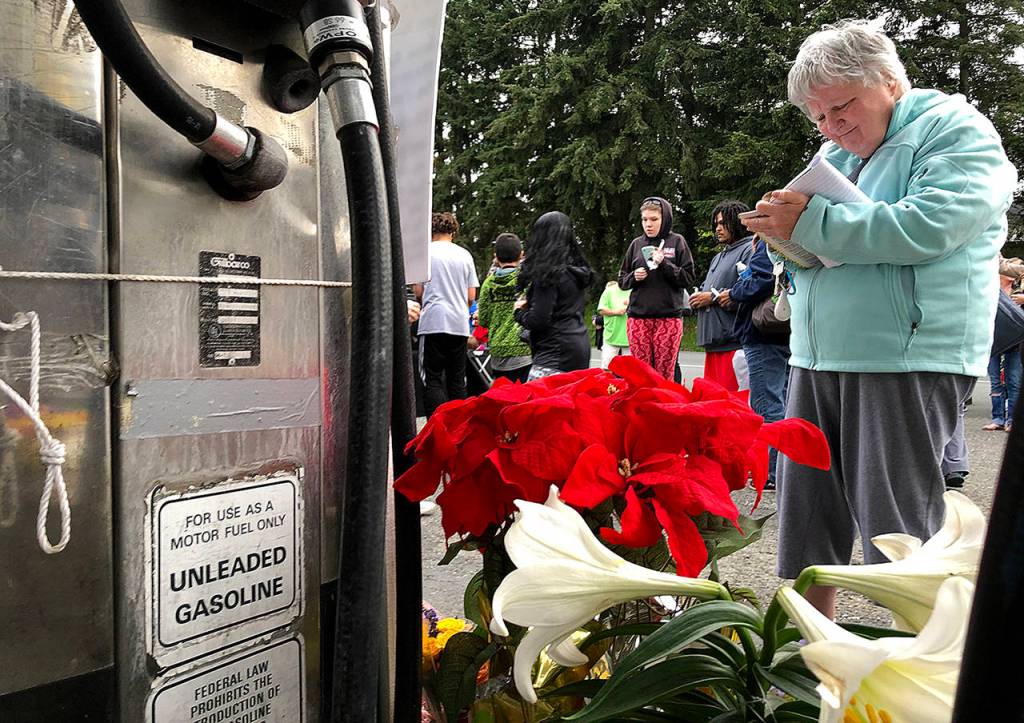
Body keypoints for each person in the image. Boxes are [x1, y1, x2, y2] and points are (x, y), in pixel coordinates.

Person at [740, 20, 1017, 618]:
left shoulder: (956, 130)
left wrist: (809, 224)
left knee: (901, 531)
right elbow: (827, 252)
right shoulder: (837, 152)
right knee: (806, 525)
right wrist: (782, 238)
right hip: (817, 354)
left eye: (840, 107)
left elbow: (930, 225)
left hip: (904, 354)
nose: (830, 126)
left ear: (889, 81)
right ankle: (806, 672)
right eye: (816, 117)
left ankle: (921, 675)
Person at [729, 234, 791, 490]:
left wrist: (735, 289)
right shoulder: (793, 239)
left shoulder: (770, 240)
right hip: (783, 332)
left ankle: (771, 472)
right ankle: (778, 469)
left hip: (762, 333)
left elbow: (763, 279)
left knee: (767, 405)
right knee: (781, 401)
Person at [617, 197, 695, 379]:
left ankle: (664, 407)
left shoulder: (677, 241)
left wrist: (665, 264)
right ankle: (641, 408)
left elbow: (688, 278)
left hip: (668, 318)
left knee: (663, 375)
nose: (648, 224)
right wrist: (634, 277)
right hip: (638, 318)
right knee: (640, 375)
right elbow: (621, 280)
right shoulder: (636, 244)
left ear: (665, 219)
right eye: (644, 220)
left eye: (654, 219)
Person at [414, 212, 480, 416]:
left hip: (433, 321)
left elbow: (418, 292)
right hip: (459, 323)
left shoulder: (424, 254)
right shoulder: (464, 255)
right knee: (457, 378)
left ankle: (436, 423)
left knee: (432, 378)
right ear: (453, 231)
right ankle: (458, 424)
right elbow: (471, 295)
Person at [514, 212, 593, 380]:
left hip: (553, 352)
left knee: (537, 404)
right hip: (579, 346)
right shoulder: (576, 273)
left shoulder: (548, 275)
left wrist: (519, 313)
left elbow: (539, 319)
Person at [689, 201, 755, 390]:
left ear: (738, 223)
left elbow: (748, 291)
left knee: (734, 405)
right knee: (714, 404)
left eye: (723, 223)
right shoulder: (719, 256)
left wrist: (712, 297)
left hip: (733, 345)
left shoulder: (749, 250)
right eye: (716, 223)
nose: (718, 228)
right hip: (713, 345)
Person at [476, 233, 532, 383]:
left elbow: (483, 320)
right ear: (521, 254)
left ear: (496, 256)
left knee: (503, 395)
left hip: (497, 352)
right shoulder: (526, 281)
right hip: (524, 349)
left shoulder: (488, 284)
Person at [984, 268, 1022, 431]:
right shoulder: (989, 288)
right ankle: (997, 418)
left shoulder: (1019, 293)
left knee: (1013, 381)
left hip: (1015, 343)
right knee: (995, 382)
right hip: (992, 341)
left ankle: (1012, 420)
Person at [597, 281, 631, 368]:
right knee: (607, 368)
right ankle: (607, 382)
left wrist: (631, 305)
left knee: (630, 370)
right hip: (611, 336)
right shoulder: (609, 291)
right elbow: (601, 310)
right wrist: (616, 312)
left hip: (631, 337)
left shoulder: (635, 290)